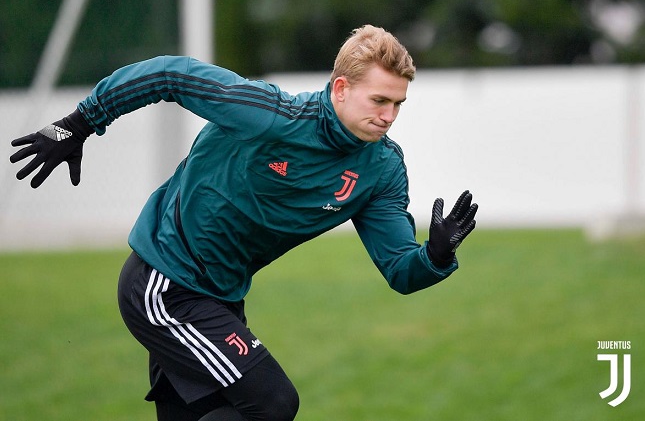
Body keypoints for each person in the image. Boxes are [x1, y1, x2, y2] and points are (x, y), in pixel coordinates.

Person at [10, 25, 477, 421]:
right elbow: (168, 73)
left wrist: (434, 256)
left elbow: (399, 267)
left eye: (398, 105)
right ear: (340, 88)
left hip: (222, 299)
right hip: (164, 284)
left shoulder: (383, 168)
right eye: (379, 100)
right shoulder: (269, 114)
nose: (389, 116)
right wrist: (79, 123)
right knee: (273, 402)